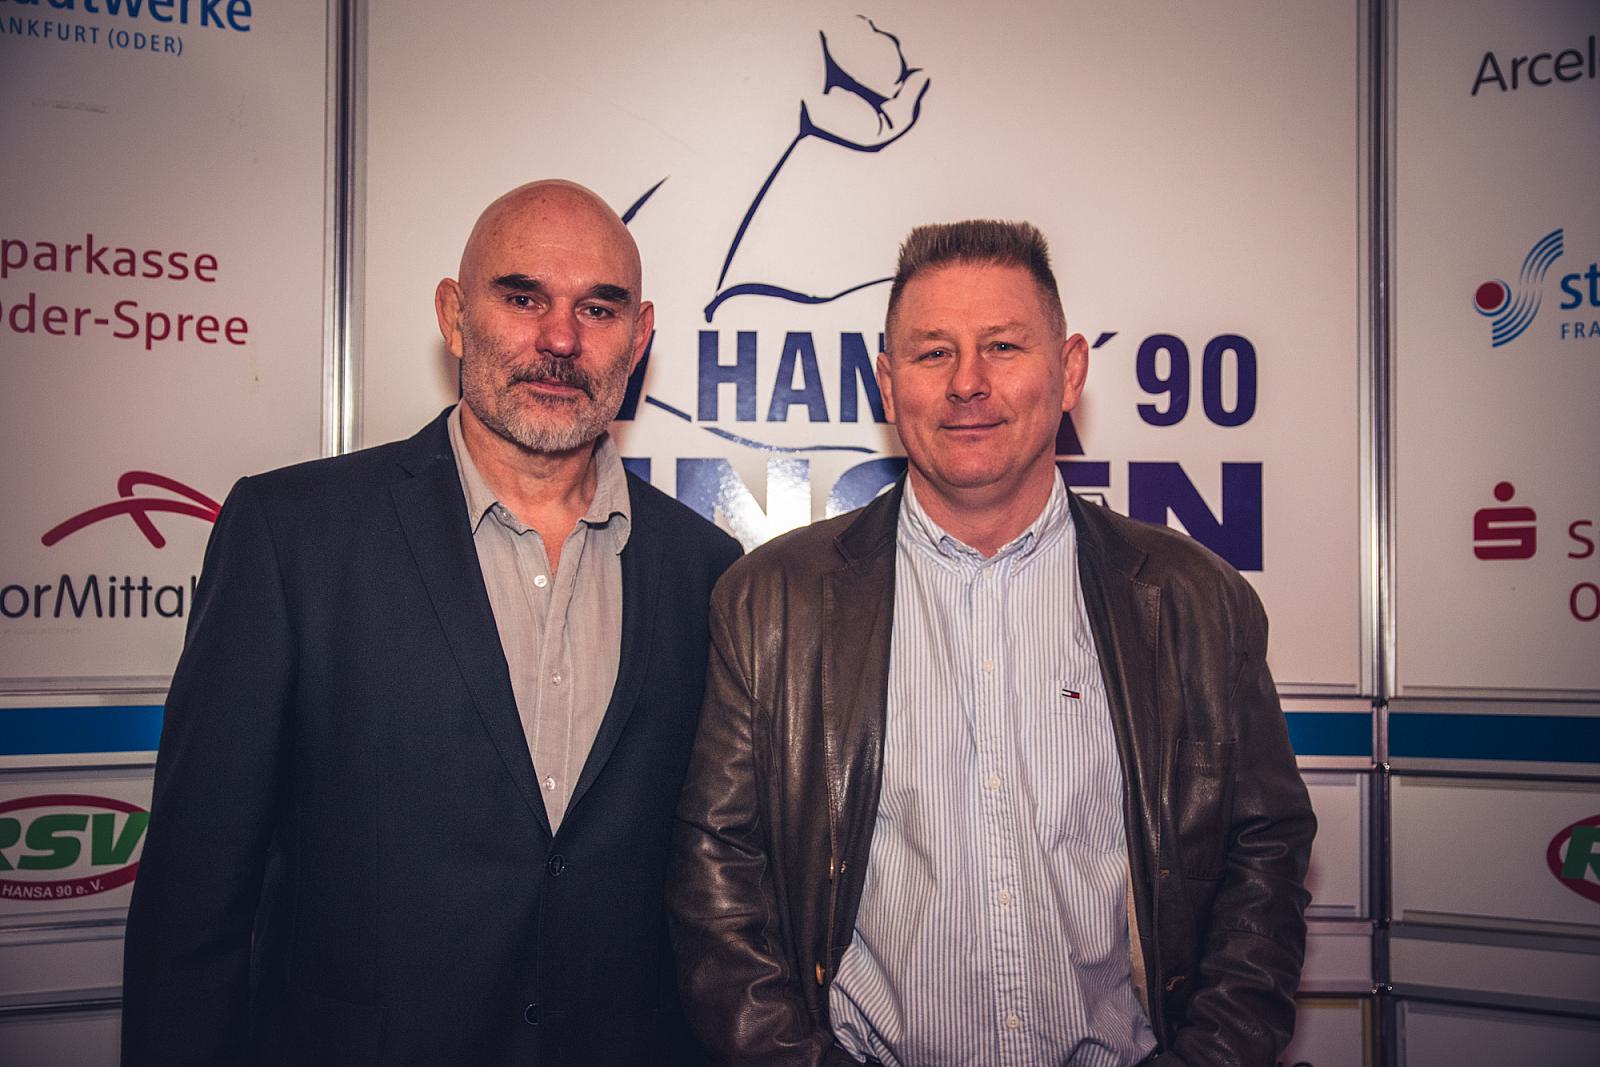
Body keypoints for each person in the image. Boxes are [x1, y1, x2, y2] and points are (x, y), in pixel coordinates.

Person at [123, 180, 742, 1064]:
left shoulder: (708, 571)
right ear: (454, 316)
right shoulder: (292, 537)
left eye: (598, 309)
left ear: (638, 338)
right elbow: (195, 902)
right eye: (522, 298)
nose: (560, 339)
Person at [670, 220, 1315, 1066]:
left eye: (1003, 346)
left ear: (1070, 370)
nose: (968, 383)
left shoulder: (1195, 600)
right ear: (887, 383)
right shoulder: (770, 601)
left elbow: (1263, 855)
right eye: (934, 352)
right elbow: (717, 872)